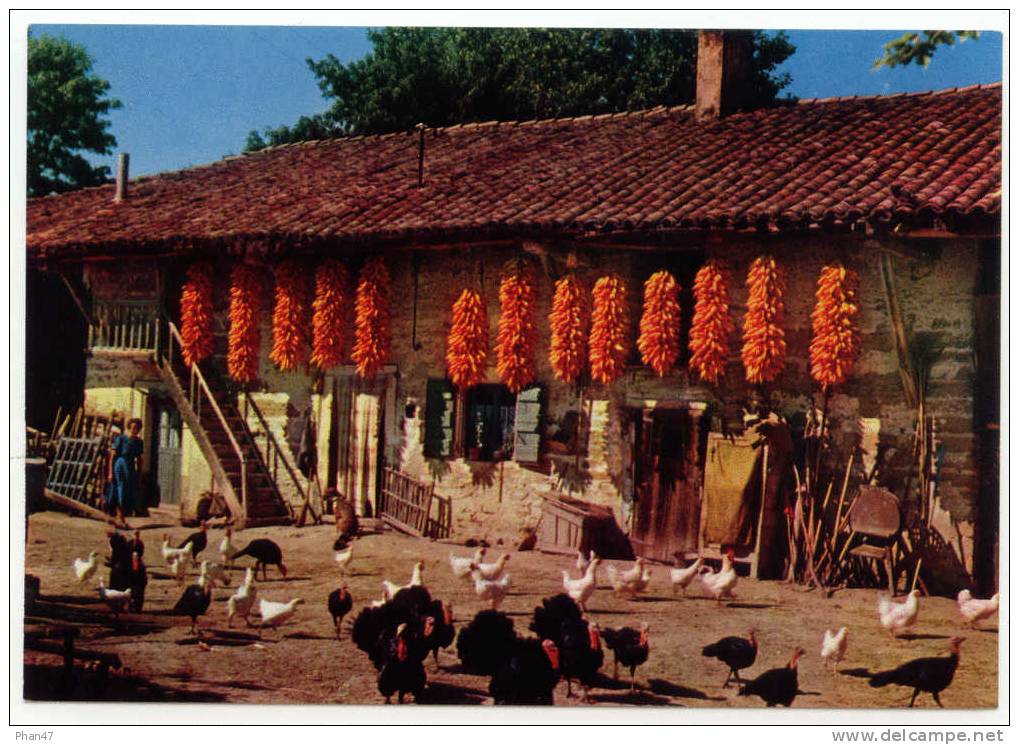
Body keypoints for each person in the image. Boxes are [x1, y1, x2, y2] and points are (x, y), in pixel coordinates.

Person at [108, 417, 144, 529]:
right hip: (120, 463)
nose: (135, 430)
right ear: (129, 428)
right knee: (120, 489)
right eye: (133, 428)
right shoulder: (121, 439)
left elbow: (139, 459)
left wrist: (139, 473)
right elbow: (112, 456)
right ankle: (119, 517)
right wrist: (110, 472)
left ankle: (122, 517)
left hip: (130, 466)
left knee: (128, 491)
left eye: (137, 428)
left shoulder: (138, 442)